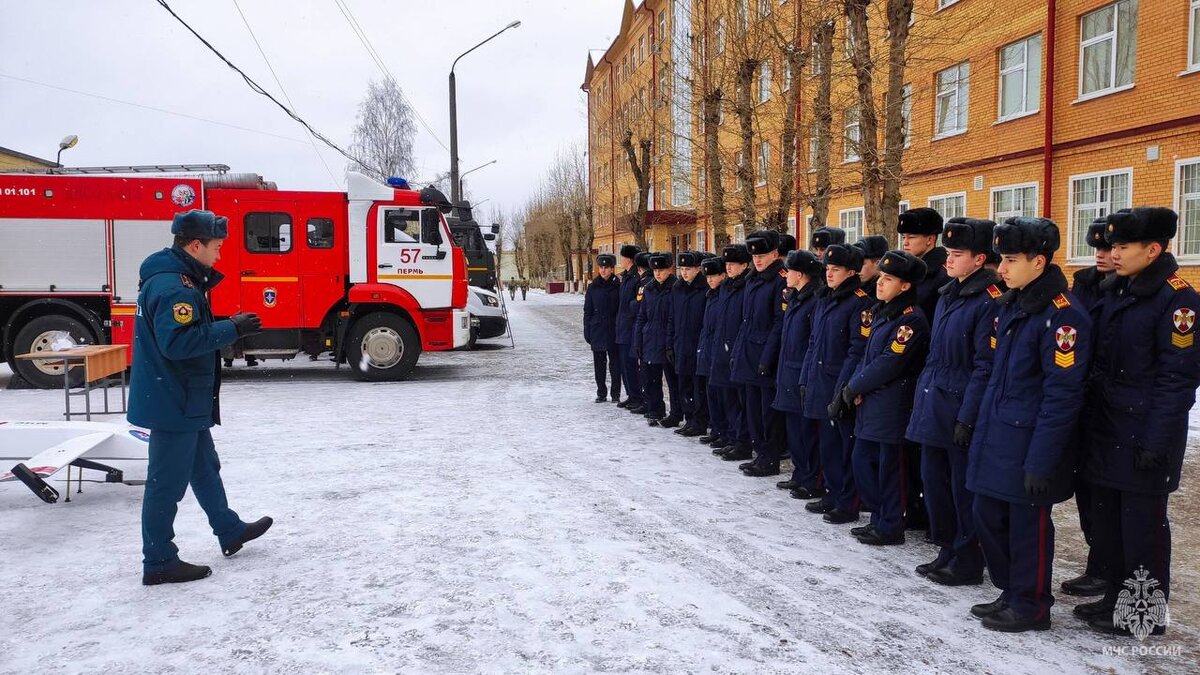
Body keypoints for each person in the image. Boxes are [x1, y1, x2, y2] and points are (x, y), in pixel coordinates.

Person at [128, 209, 272, 586]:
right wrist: (230, 329)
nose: (219, 255)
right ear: (195, 245)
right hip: (172, 400)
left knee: (205, 468)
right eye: (216, 247)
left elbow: (183, 331)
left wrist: (222, 325)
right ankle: (158, 560)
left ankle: (229, 529)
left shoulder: (180, 280)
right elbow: (178, 344)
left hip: (181, 398)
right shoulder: (176, 287)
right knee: (165, 485)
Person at [1077, 207, 1200, 637]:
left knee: (1142, 527)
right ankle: (1115, 597)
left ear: (1153, 249)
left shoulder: (1177, 298)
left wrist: (1157, 440)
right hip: (1108, 425)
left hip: (1145, 433)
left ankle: (1143, 614)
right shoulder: (1119, 289)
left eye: (1122, 246)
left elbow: (1178, 377)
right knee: (1109, 522)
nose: (1114, 253)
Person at [967, 216, 1090, 633]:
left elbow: (1063, 394)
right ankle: (1011, 590)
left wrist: (1043, 460)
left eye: (1011, 260)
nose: (1001, 269)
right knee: (987, 513)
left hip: (1028, 441)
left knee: (1027, 527)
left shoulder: (1063, 317)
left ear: (1039, 262)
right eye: (1001, 259)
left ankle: (1032, 603)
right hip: (998, 432)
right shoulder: (1012, 304)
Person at [906, 218, 1002, 583]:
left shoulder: (988, 300)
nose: (948, 260)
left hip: (960, 404)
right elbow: (935, 354)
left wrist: (968, 415)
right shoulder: (949, 293)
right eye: (947, 253)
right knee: (935, 483)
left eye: (957, 254)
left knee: (962, 488)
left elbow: (984, 365)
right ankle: (947, 547)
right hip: (935, 398)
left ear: (979, 260)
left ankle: (968, 557)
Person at [843, 250, 930, 545]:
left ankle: (891, 524)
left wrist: (855, 387)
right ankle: (879, 518)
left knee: (889, 469)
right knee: (863, 461)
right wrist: (854, 386)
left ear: (905, 286)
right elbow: (867, 357)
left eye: (888, 279)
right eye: (880, 277)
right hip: (872, 402)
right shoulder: (883, 312)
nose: (880, 283)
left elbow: (889, 362)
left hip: (892, 405)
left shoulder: (910, 320)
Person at [1060, 217, 1116, 599]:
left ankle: (1110, 572)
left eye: (1109, 249)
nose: (1100, 255)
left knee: (1113, 501)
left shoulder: (1129, 291)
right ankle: (1098, 565)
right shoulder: (1083, 286)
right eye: (1095, 248)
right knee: (1087, 493)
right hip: (1085, 403)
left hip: (1113, 407)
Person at [798, 244, 873, 523]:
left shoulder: (859, 302)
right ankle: (831, 493)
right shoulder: (825, 298)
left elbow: (858, 350)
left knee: (844, 447)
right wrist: (805, 378)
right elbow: (813, 343)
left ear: (851, 272)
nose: (829, 274)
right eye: (827, 269)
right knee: (827, 445)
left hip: (839, 385)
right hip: (820, 380)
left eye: (836, 270)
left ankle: (848, 501)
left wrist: (843, 389)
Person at [732, 230, 788, 477]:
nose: (757, 259)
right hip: (748, 352)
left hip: (766, 356)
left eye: (762, 255)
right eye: (754, 255)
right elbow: (745, 321)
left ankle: (770, 458)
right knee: (751, 409)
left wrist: (767, 357)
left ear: (775, 253)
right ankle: (760, 453)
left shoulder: (779, 280)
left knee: (767, 413)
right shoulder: (753, 279)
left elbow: (779, 323)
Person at [772, 249, 825, 499]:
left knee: (806, 432)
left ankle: (811, 478)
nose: (785, 276)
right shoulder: (796, 297)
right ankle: (800, 473)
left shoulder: (813, 300)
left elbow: (811, 343)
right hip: (789, 369)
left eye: (789, 271)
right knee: (794, 429)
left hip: (801, 371)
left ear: (800, 274)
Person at [711, 244, 753, 460]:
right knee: (727, 398)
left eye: (733, 264)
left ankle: (742, 441)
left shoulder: (746, 286)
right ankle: (731, 437)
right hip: (723, 348)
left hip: (738, 351)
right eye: (726, 264)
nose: (728, 268)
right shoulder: (727, 286)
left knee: (740, 402)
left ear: (744, 265)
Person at [635, 253, 680, 426]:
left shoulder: (676, 288)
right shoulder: (649, 288)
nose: (658, 274)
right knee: (650, 379)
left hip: (668, 339)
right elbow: (642, 316)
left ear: (670, 269)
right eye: (655, 270)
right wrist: (637, 341)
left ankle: (676, 412)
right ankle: (655, 409)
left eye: (661, 270)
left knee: (673, 381)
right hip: (650, 339)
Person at [669, 251, 710, 436]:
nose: (684, 273)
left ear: (698, 269)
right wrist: (670, 343)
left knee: (698, 386)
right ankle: (689, 418)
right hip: (681, 343)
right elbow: (672, 318)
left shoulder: (704, 289)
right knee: (683, 383)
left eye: (688, 269)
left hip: (697, 344)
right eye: (682, 269)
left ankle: (700, 421)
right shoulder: (677, 288)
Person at [696, 256, 728, 447]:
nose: (709, 280)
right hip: (708, 348)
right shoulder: (710, 295)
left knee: (722, 396)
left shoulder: (722, 295)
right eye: (707, 277)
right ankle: (716, 429)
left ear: (722, 276)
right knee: (711, 394)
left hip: (719, 350)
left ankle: (724, 431)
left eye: (713, 276)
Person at [584, 253, 622, 403]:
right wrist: (587, 329)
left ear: (612, 269)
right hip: (598, 330)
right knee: (599, 365)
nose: (603, 270)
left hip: (614, 330)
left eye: (606, 268)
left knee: (615, 365)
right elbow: (588, 310)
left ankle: (616, 393)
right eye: (601, 267)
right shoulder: (593, 287)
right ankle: (601, 392)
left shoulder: (618, 286)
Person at [614, 245, 644, 411]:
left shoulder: (634, 278)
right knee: (624, 363)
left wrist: (631, 306)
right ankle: (631, 395)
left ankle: (637, 396)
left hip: (630, 326)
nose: (621, 259)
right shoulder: (625, 277)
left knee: (631, 364)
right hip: (622, 325)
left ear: (629, 259)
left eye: (623, 256)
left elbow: (637, 302)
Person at [626, 252, 655, 415]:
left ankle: (648, 401)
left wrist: (631, 304)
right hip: (644, 329)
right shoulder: (646, 281)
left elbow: (638, 305)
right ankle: (647, 401)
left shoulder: (645, 283)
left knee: (647, 373)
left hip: (645, 330)